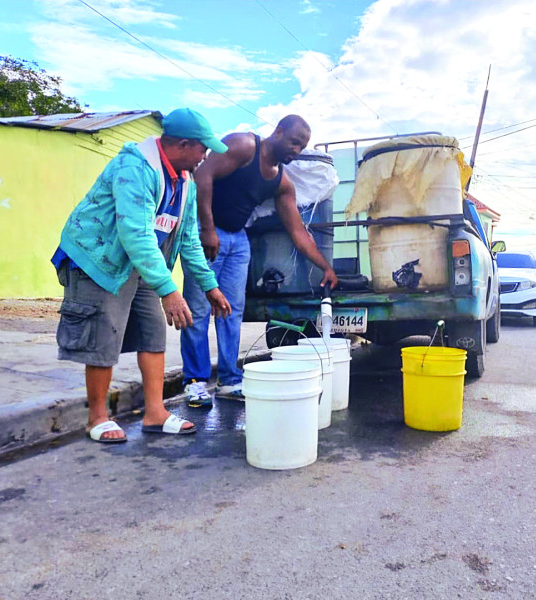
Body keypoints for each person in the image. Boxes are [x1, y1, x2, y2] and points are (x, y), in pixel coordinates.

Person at [52, 108, 232, 443]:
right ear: (182, 144)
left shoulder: (186, 181)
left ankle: (155, 412)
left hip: (145, 263)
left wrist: (210, 286)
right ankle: (98, 418)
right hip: (99, 259)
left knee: (153, 332)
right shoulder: (135, 167)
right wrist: (169, 289)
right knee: (104, 334)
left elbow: (189, 237)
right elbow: (135, 233)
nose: (205, 157)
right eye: (202, 149)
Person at [180, 115, 338, 404]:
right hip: (204, 234)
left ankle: (228, 380)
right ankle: (195, 381)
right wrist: (207, 227)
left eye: (302, 147)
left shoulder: (282, 182)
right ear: (278, 132)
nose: (297, 151)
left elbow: (297, 231)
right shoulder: (244, 146)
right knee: (199, 308)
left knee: (231, 311)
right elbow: (202, 176)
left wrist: (326, 266)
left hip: (239, 240)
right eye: (294, 142)